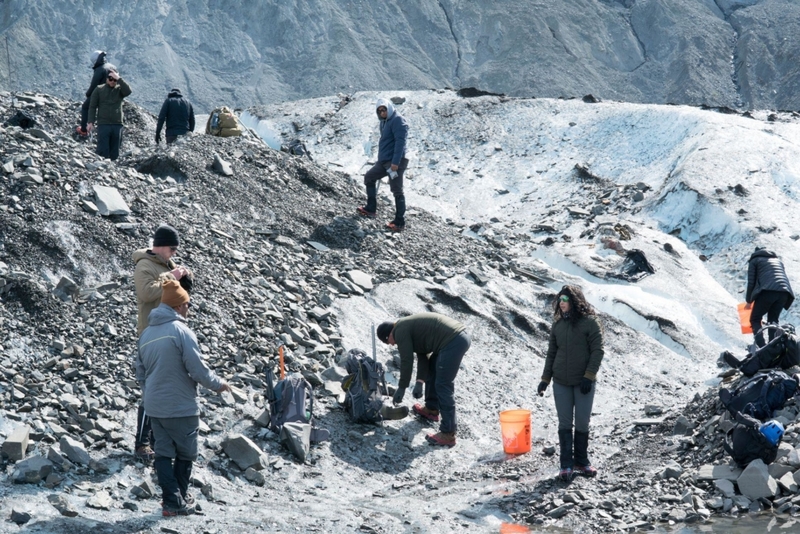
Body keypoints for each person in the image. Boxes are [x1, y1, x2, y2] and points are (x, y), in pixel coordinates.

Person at [136, 280, 230, 516]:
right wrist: (220, 385)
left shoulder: (146, 334)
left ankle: (171, 502)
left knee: (164, 453)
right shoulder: (181, 331)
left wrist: (149, 397)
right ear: (178, 306)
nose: (188, 308)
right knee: (186, 453)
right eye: (187, 304)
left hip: (154, 408)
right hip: (180, 407)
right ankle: (179, 499)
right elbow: (198, 370)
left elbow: (140, 373)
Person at [131, 224, 192, 462]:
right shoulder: (144, 265)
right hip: (150, 334)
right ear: (162, 246)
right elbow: (146, 293)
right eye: (173, 249)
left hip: (169, 332)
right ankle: (142, 443)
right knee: (152, 389)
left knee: (165, 388)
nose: (175, 253)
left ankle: (157, 442)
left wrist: (185, 277)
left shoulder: (167, 265)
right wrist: (171, 278)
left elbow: (177, 291)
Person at [537, 285, 604, 481]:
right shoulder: (558, 325)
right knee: (565, 423)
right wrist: (544, 379)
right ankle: (566, 464)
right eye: (560, 299)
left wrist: (589, 376)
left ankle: (581, 462)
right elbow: (551, 353)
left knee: (582, 423)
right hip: (561, 382)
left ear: (575, 301)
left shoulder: (591, 323)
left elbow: (598, 351)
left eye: (565, 298)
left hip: (583, 382)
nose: (561, 302)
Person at [377, 312, 470, 447]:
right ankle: (432, 409)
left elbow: (407, 360)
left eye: (387, 342)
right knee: (433, 368)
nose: (391, 345)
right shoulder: (407, 327)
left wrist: (402, 387)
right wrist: (420, 382)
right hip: (455, 338)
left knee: (443, 385)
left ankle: (448, 433)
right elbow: (422, 356)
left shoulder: (400, 330)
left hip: (453, 341)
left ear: (389, 335)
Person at [357, 98, 409, 232]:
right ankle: (371, 208)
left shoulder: (398, 120)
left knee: (397, 190)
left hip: (394, 162)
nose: (382, 113)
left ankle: (399, 222)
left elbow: (400, 143)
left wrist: (395, 163)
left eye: (383, 109)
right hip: (384, 161)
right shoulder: (384, 122)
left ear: (389, 108)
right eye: (379, 111)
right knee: (369, 177)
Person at [746, 247, 794, 347]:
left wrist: (749, 301)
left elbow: (751, 283)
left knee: (755, 319)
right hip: (784, 293)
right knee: (773, 320)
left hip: (768, 291)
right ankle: (773, 347)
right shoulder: (777, 261)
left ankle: (762, 347)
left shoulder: (755, 260)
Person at [87, 68, 131, 160]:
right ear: (106, 78)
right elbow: (92, 106)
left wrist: (119, 79)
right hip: (103, 124)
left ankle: (113, 170)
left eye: (114, 80)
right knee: (103, 150)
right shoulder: (99, 89)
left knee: (115, 151)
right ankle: (102, 169)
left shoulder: (120, 90)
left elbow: (128, 91)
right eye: (110, 79)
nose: (112, 81)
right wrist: (91, 122)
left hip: (117, 124)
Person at [77, 50, 116, 137]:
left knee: (85, 107)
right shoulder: (112, 67)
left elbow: (94, 85)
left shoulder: (100, 69)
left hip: (101, 94)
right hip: (113, 95)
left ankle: (83, 130)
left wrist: (88, 94)